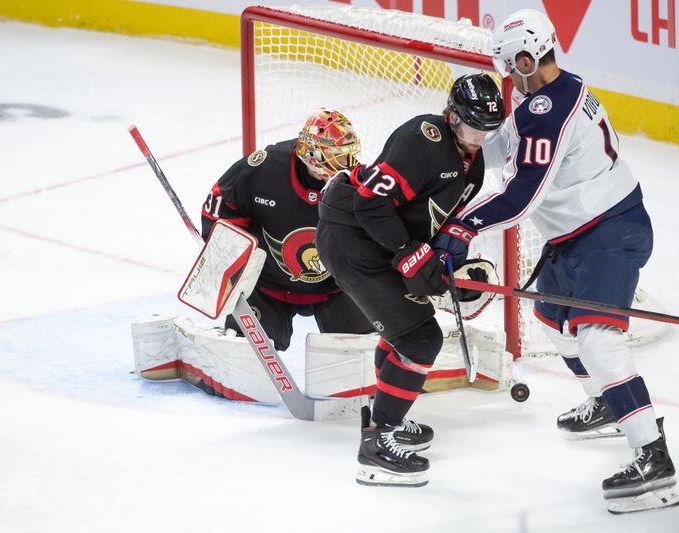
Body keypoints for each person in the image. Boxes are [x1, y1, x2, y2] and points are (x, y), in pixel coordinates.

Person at [432, 10, 679, 513]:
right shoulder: (547, 92)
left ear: (527, 57)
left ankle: (653, 457)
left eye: (509, 64)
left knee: (598, 337)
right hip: (577, 233)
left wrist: (464, 226)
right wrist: (453, 150)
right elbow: (508, 146)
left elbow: (522, 196)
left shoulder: (549, 110)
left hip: (610, 231)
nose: (506, 74)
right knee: (553, 322)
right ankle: (609, 405)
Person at [315, 74, 505, 487]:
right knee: (420, 339)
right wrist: (409, 253)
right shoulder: (422, 140)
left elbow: (432, 223)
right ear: (452, 117)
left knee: (407, 331)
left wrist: (444, 264)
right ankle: (377, 446)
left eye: (487, 131)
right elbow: (370, 203)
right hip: (350, 234)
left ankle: (383, 416)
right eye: (472, 127)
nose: (479, 138)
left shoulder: (472, 165)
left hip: (378, 239)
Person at [200, 108, 374, 351]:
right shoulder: (265, 168)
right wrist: (225, 253)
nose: (347, 164)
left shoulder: (356, 182)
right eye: (337, 156)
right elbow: (221, 202)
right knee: (245, 356)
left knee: (365, 354)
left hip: (336, 288)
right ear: (313, 154)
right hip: (267, 286)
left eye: (347, 155)